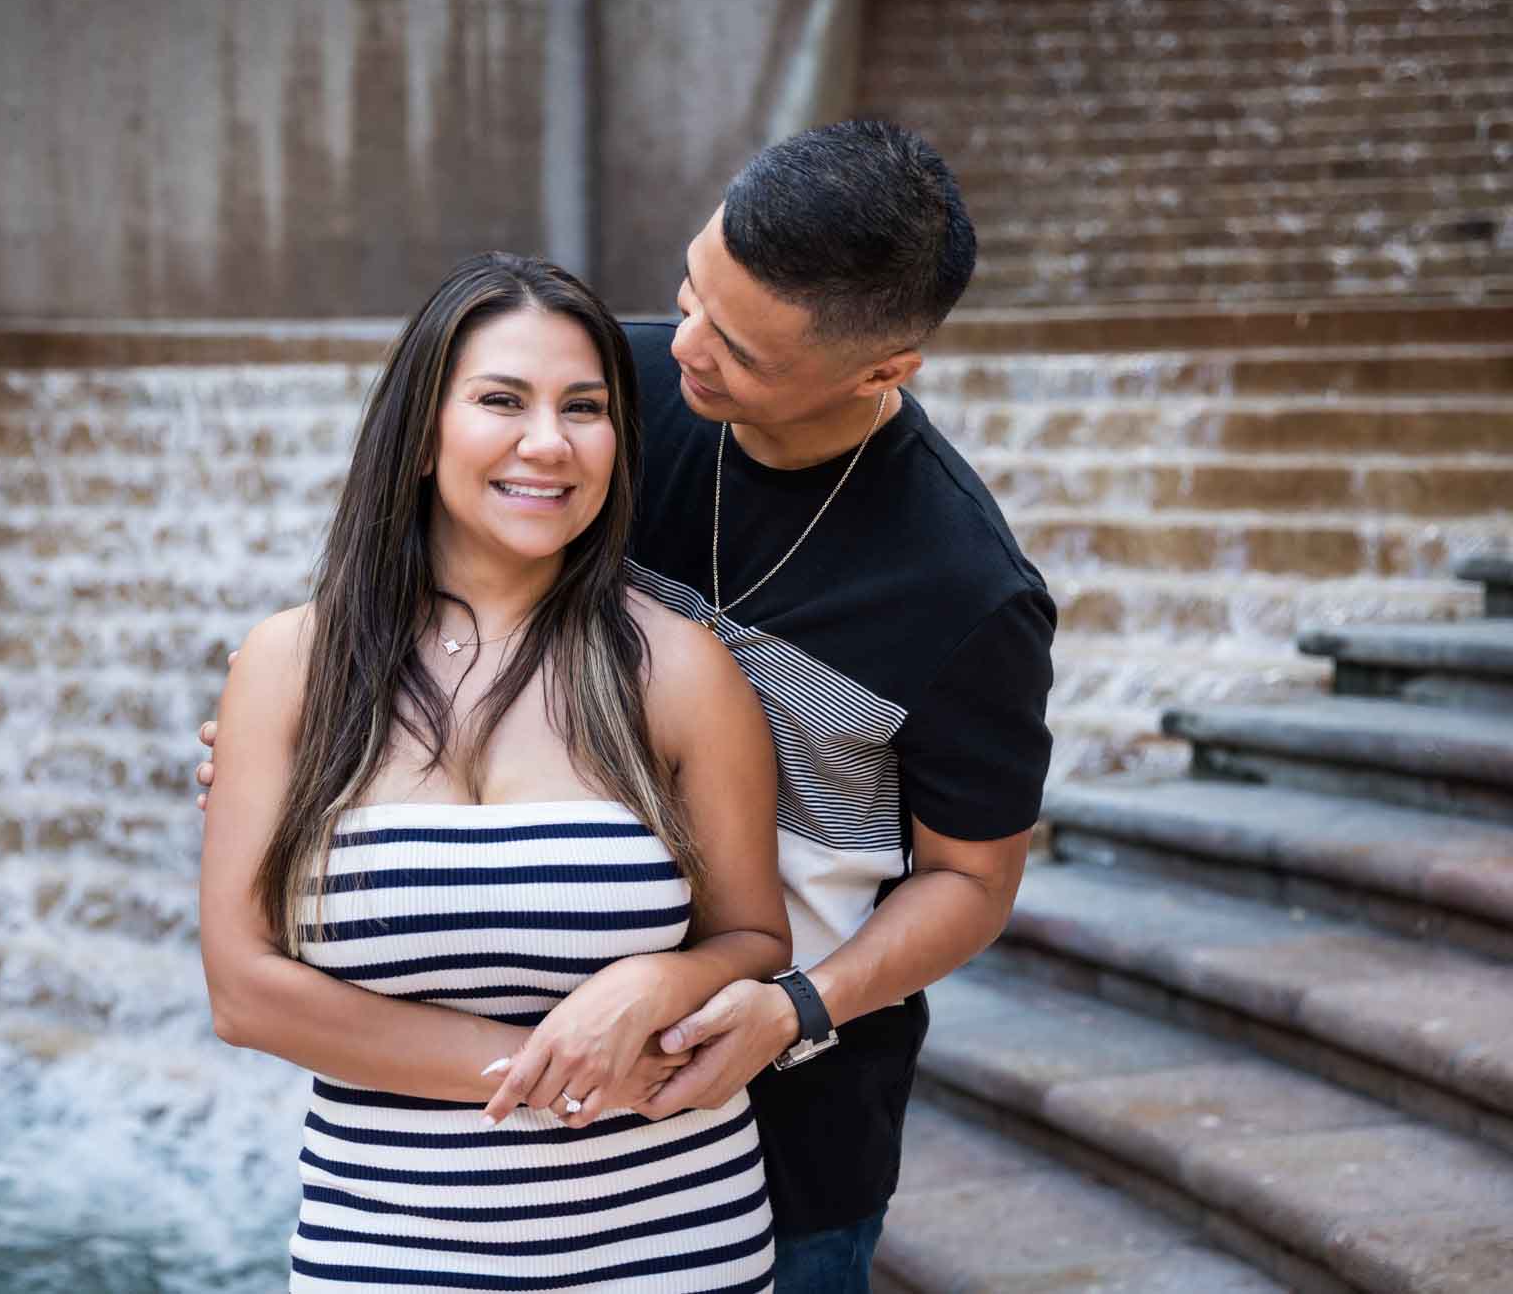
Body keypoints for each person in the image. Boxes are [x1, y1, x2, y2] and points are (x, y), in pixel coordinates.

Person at [202, 120, 1056, 1293]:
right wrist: (304, 744)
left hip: (781, 1120)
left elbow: (971, 879)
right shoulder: (614, 394)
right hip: (432, 1161)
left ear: (879, 373)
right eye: (690, 289)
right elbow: (430, 557)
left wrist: (792, 1004)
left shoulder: (963, 590)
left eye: (742, 351)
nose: (689, 351)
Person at [200, 251, 793, 1291]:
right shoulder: (291, 664)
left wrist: (661, 978)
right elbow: (246, 993)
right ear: (421, 432)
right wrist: (560, 1077)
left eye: (584, 407)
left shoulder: (678, 667)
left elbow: (752, 939)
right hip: (385, 1257)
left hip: (672, 1250)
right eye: (500, 400)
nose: (546, 444)